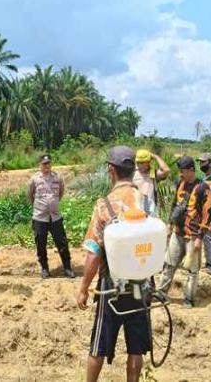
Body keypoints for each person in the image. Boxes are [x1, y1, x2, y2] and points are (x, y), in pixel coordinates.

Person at [77, 146, 151, 382]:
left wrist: (83, 288)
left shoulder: (104, 206)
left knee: (99, 344)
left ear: (111, 171)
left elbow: (94, 253)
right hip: (141, 284)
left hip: (111, 286)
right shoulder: (148, 203)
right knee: (136, 348)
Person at [159, 156, 211, 308]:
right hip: (177, 232)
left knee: (192, 270)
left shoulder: (203, 188)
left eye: (183, 170)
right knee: (169, 264)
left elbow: (207, 214)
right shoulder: (180, 184)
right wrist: (169, 224)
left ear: (190, 170)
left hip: (193, 235)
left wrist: (200, 238)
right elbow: (174, 204)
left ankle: (189, 298)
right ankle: (161, 293)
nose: (180, 173)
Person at [27, 154, 75, 279]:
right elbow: (30, 195)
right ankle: (44, 268)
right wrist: (40, 206)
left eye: (48, 163)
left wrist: (52, 204)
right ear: (40, 165)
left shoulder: (58, 177)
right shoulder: (34, 179)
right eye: (44, 164)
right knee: (40, 244)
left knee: (62, 242)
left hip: (55, 217)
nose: (46, 166)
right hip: (40, 217)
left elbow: (61, 193)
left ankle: (67, 267)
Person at [133, 149, 170, 215]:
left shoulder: (153, 173)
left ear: (148, 162)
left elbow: (166, 170)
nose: (139, 165)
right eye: (138, 162)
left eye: (142, 163)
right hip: (135, 210)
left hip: (151, 211)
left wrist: (155, 157)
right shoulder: (132, 173)